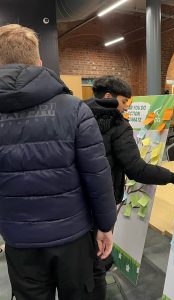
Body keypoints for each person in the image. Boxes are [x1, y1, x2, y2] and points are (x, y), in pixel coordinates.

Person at [0, 24, 116, 300]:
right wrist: (106, 225)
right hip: (72, 238)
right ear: (39, 62)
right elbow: (97, 176)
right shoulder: (74, 109)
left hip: (19, 241)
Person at [87, 76, 174, 207]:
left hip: (77, 200)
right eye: (124, 102)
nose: (126, 107)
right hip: (103, 200)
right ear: (108, 96)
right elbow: (137, 170)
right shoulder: (118, 125)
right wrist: (171, 177)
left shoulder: (76, 116)